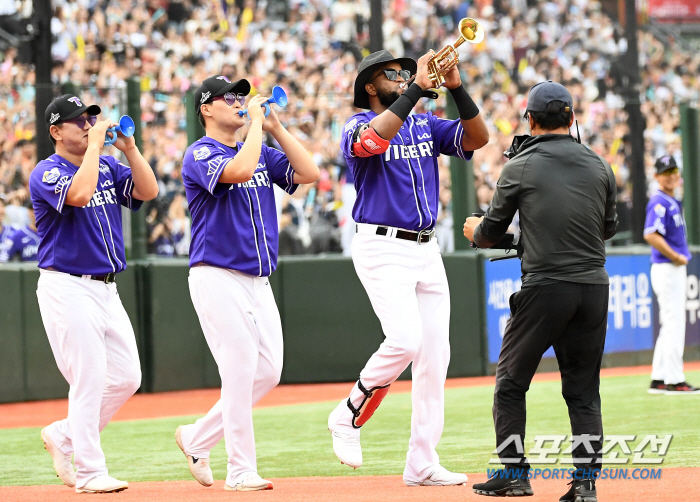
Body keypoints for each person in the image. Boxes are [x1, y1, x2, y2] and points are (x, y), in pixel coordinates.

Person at [328, 49, 488, 486]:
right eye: (391, 73)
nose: (401, 76)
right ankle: (347, 414)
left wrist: (455, 86)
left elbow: (478, 139)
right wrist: (417, 85)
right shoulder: (357, 124)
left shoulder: (423, 122)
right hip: (382, 245)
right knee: (404, 340)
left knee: (436, 356)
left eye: (404, 71)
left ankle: (421, 460)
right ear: (369, 86)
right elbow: (373, 142)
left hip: (426, 248)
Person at [463, 81, 618, 502]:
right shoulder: (600, 164)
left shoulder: (521, 165)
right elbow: (608, 229)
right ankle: (585, 485)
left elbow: (491, 232)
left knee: (511, 383)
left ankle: (515, 475)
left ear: (529, 120)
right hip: (593, 285)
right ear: (572, 118)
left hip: (545, 287)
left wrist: (475, 230)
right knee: (583, 391)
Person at [175, 76, 319, 491]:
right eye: (229, 98)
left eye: (242, 97)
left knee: (269, 371)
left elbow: (307, 172)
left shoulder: (256, 145)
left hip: (257, 279)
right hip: (216, 273)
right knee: (238, 369)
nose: (239, 102)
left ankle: (197, 438)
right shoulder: (200, 152)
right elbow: (237, 171)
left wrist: (274, 127)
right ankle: (239, 470)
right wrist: (256, 123)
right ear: (206, 108)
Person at [31, 94, 159, 493]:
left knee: (126, 377)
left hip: (106, 287)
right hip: (67, 285)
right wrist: (96, 150)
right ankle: (89, 472)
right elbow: (80, 194)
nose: (88, 126)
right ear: (56, 131)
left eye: (90, 119)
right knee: (89, 377)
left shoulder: (104, 163)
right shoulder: (46, 171)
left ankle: (65, 436)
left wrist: (131, 150)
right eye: (78, 122)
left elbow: (148, 190)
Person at [644, 155, 699, 394]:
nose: (672, 176)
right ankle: (675, 380)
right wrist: (676, 256)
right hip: (668, 267)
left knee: (670, 323)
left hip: (668, 268)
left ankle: (658, 378)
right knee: (674, 323)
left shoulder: (670, 200)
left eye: (674, 171)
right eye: (666, 172)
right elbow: (651, 234)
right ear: (657, 176)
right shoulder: (659, 201)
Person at [0, 198, 39, 262]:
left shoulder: (54, 233)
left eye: (37, 209)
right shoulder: (17, 235)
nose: (34, 213)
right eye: (32, 210)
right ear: (27, 211)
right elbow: (3, 260)